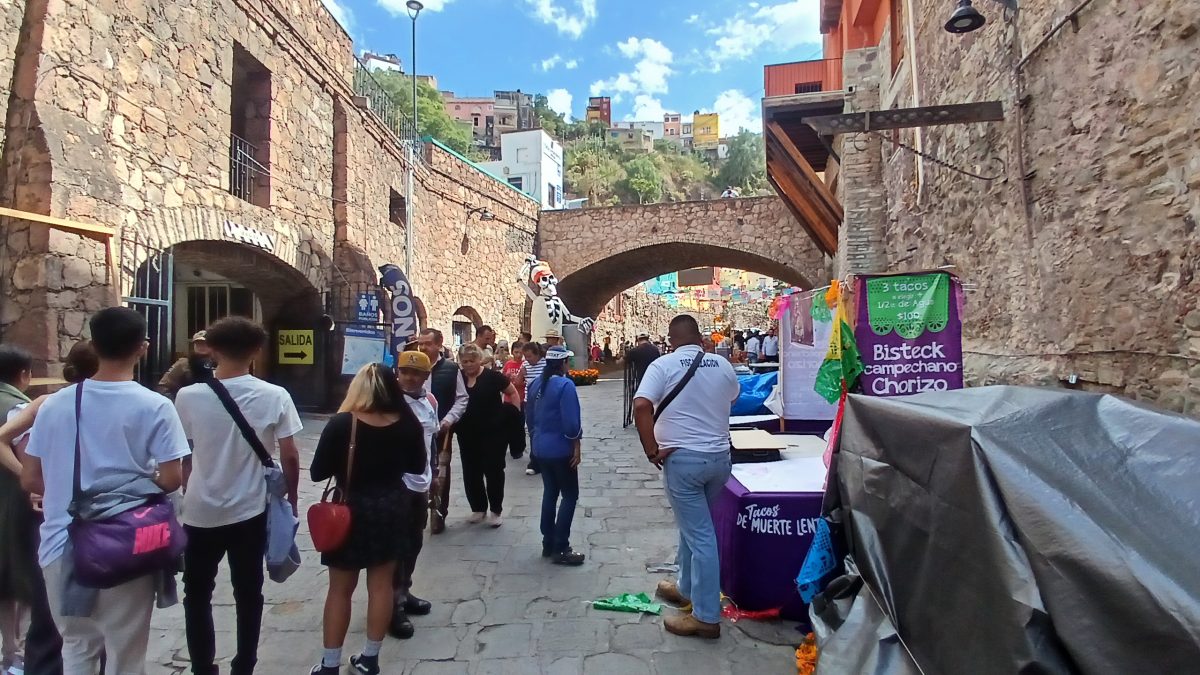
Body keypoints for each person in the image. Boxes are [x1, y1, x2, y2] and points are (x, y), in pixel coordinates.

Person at [22, 307, 190, 672]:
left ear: (93, 345)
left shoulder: (54, 405)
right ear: (143, 347)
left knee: (76, 646)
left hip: (60, 542)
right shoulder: (156, 406)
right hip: (127, 543)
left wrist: (63, 493)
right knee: (126, 653)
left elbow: (31, 476)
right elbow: (172, 479)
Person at [174, 317, 302, 675]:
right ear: (257, 350)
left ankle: (202, 665)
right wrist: (291, 497)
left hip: (199, 509)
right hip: (249, 510)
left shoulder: (188, 396)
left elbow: (184, 453)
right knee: (248, 591)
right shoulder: (275, 395)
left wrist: (188, 485)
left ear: (211, 350)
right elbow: (290, 454)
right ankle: (244, 663)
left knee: (196, 592)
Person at [309, 364, 427, 675]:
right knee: (382, 586)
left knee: (339, 589)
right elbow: (417, 467)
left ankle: (330, 664)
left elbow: (317, 472)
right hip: (392, 507)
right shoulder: (407, 423)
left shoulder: (342, 424)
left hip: (350, 508)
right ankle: (370, 659)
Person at [632, 315, 740, 640]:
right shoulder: (722, 365)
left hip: (684, 462)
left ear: (671, 338)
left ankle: (706, 617)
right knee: (694, 527)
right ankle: (687, 588)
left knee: (701, 536)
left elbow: (640, 406)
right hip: (719, 460)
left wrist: (652, 449)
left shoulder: (662, 366)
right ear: (700, 338)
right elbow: (733, 397)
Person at [0, 341, 97, 675]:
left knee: (47, 608)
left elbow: (6, 443)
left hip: (54, 521)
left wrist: (40, 486)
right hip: (105, 525)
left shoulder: (46, 403)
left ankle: (26, 659)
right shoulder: (145, 403)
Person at [390, 352, 439, 641]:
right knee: (397, 546)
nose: (408, 377)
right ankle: (393, 606)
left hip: (421, 483)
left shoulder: (429, 402)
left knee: (414, 542)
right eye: (404, 372)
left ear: (425, 376)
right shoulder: (390, 404)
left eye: (415, 373)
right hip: (399, 485)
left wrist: (434, 475)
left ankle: (405, 590)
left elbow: (431, 441)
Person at [526, 346, 585, 566]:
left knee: (550, 492)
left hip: (541, 446)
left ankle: (548, 540)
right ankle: (561, 546)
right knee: (569, 495)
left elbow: (529, 417)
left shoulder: (535, 385)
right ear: (563, 363)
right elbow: (571, 422)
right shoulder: (565, 385)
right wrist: (576, 445)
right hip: (560, 447)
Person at [454, 344, 521, 527]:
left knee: (493, 471)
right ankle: (478, 508)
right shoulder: (458, 377)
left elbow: (512, 393)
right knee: (471, 471)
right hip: (467, 433)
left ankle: (495, 510)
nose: (468, 365)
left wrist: (512, 416)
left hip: (493, 433)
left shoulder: (492, 377)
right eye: (464, 361)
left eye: (471, 361)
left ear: (479, 359)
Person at [0, 346, 34, 674]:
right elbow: (30, 462)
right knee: (17, 575)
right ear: (23, 375)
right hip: (12, 504)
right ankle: (14, 652)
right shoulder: (18, 410)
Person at [415, 329, 468, 534]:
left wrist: (448, 421)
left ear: (439, 344)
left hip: (441, 430)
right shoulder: (412, 365)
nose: (423, 347)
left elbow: (462, 398)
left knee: (440, 471)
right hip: (414, 430)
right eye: (421, 343)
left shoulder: (451, 369)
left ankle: (438, 512)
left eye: (428, 343)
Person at [158, 331, 215, 400]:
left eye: (204, 343)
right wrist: (176, 402)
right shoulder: (184, 363)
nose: (201, 346)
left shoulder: (219, 363)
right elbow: (163, 385)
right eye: (198, 344)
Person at [519, 342, 547, 476]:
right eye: (525, 356)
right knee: (532, 432)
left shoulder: (545, 364)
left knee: (543, 430)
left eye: (529, 356)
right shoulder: (525, 365)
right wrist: (521, 374)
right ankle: (534, 460)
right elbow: (518, 382)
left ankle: (544, 458)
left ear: (537, 354)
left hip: (542, 402)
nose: (527, 359)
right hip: (529, 402)